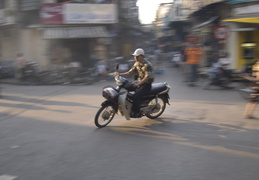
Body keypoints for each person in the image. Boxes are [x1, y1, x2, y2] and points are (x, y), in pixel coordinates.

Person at [114, 48, 154, 118]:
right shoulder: (136, 64)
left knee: (135, 96)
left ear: (142, 56)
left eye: (137, 56)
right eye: (134, 56)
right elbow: (130, 72)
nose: (135, 57)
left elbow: (147, 77)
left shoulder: (148, 65)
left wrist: (139, 84)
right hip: (138, 83)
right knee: (125, 86)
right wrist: (120, 74)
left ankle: (137, 112)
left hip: (146, 85)